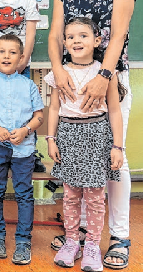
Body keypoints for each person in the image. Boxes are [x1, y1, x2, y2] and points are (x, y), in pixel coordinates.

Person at [47, 0, 136, 269]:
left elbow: (116, 36)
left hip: (109, 79)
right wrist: (57, 70)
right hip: (70, 77)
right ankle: (82, 233)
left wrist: (103, 75)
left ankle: (119, 235)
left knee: (115, 158)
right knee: (78, 159)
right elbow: (56, 35)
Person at [46, 17, 123, 271]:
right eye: (71, 37)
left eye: (83, 36)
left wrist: (117, 146)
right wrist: (51, 139)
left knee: (94, 197)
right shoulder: (60, 72)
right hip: (68, 135)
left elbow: (114, 110)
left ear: (97, 41)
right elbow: (55, 108)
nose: (76, 40)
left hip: (97, 135)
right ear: (65, 43)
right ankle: (71, 242)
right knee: (70, 196)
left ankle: (92, 246)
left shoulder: (105, 73)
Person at [0, 34, 44, 265]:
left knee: (24, 193)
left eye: (12, 52)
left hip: (24, 148)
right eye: (1, 52)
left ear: (21, 57)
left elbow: (39, 117)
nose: (6, 56)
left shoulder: (29, 84)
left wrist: (25, 130)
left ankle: (23, 240)